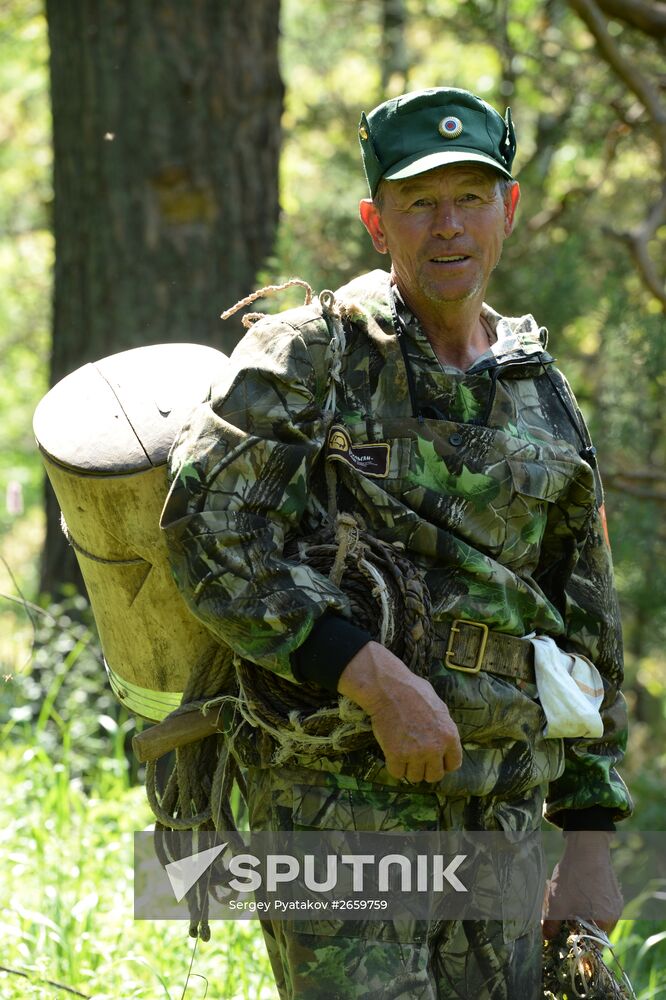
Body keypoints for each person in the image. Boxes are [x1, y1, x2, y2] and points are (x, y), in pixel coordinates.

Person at [161, 87, 632, 999]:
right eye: (419, 203)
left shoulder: (541, 390)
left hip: (498, 810)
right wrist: (370, 676)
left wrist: (588, 837)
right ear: (379, 222)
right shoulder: (312, 356)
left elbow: (589, 625)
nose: (447, 227)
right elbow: (208, 531)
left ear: (511, 208)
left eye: (470, 196)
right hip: (336, 803)